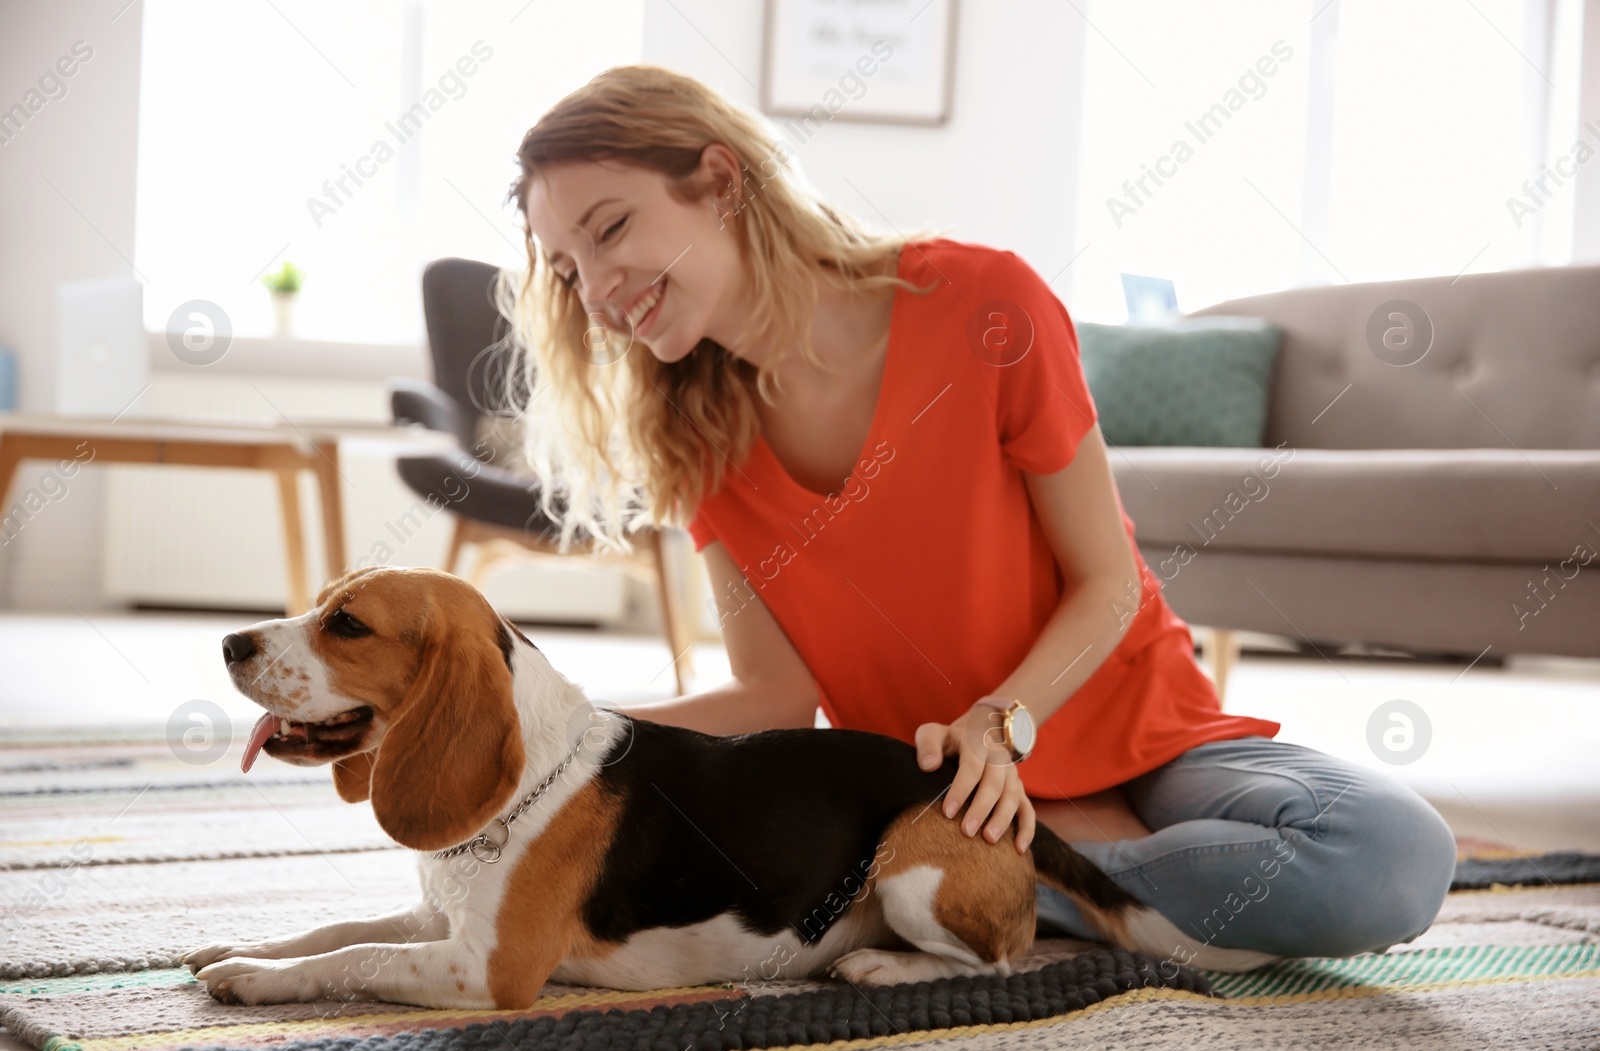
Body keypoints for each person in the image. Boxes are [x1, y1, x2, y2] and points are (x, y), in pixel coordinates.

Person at [497, 63, 1457, 961]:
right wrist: (555, 726)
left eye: (611, 229)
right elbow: (772, 697)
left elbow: (1108, 581)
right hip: (945, 797)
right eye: (570, 269)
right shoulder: (697, 441)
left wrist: (1005, 729)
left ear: (718, 181)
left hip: (1139, 734)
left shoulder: (982, 302)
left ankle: (959, 895)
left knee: (1393, 854)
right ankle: (994, 882)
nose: (598, 292)